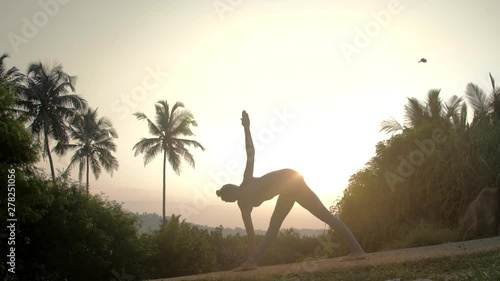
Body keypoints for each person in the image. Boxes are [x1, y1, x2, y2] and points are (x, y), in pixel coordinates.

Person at [216, 111, 367, 271]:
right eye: (226, 201)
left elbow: (250, 152)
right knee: (276, 225)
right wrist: (249, 258)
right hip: (287, 190)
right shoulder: (243, 206)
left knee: (321, 215)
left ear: (232, 189)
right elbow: (251, 233)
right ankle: (253, 262)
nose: (229, 200)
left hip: (290, 179)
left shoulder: (246, 181)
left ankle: (357, 250)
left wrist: (246, 127)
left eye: (227, 196)